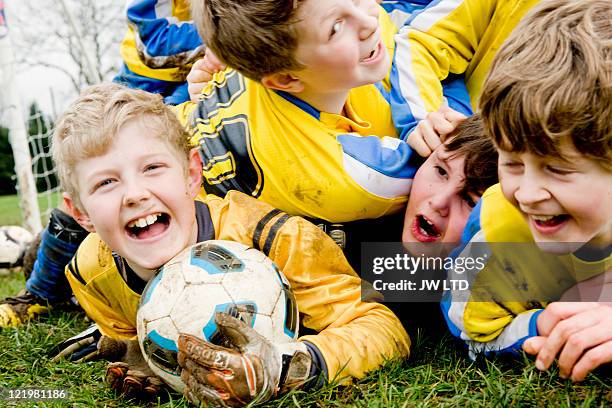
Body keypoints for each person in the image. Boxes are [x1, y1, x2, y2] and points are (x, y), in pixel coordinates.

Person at [50, 83, 411, 404]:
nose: (135, 194)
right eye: (106, 183)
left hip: (381, 245)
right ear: (80, 211)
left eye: (152, 168)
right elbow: (125, 332)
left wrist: (290, 367)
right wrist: (149, 355)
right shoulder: (90, 273)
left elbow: (383, 326)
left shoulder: (274, 237)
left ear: (192, 174)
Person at [442, 0, 611, 382]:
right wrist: (543, 325)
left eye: (557, 168)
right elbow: (473, 331)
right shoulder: (497, 238)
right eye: (513, 163)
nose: (528, 193)